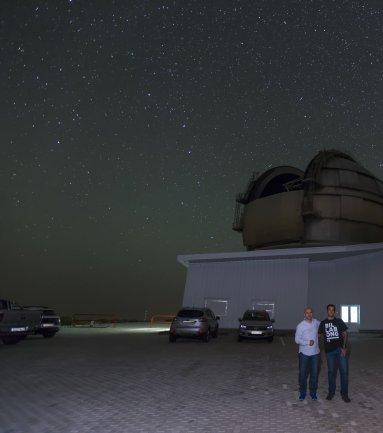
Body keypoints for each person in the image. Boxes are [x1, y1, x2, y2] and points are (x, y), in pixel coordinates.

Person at [319, 304, 351, 403]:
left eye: (333, 310)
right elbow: (319, 336)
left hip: (340, 350)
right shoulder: (323, 323)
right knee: (331, 372)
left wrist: (344, 347)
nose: (331, 311)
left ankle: (344, 394)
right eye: (329, 310)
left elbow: (345, 334)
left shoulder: (339, 321)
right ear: (327, 311)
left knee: (344, 372)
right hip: (329, 352)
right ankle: (331, 392)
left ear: (335, 311)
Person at [295, 307, 320, 401]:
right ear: (304, 314)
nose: (309, 314)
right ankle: (302, 393)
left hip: (315, 354)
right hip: (304, 354)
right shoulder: (300, 326)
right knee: (302, 375)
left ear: (312, 313)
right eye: (307, 313)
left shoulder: (316, 323)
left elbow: (323, 327)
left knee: (314, 374)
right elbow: (297, 340)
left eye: (310, 312)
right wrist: (307, 342)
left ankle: (313, 393)